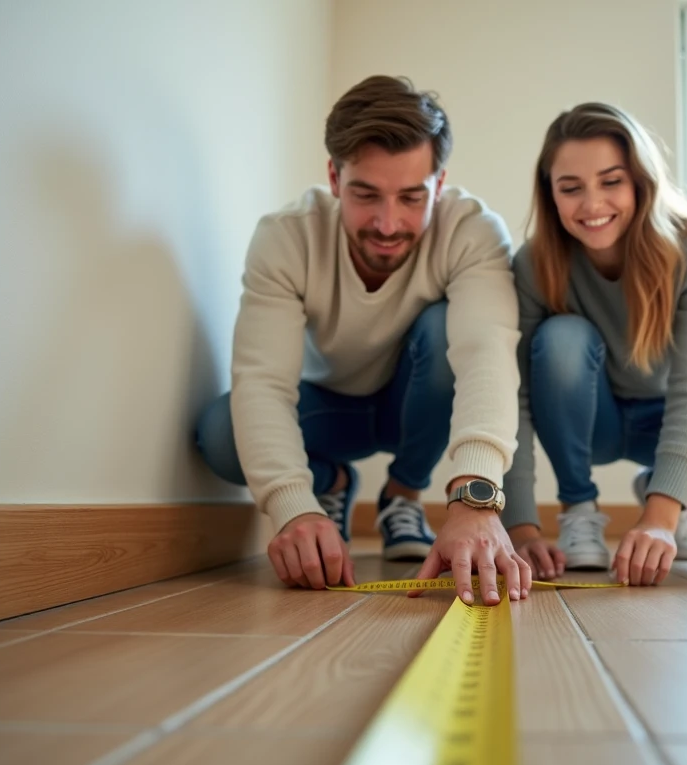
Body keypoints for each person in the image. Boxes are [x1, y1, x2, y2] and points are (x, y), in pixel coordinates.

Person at [195, 76, 532, 606]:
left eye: (411, 197)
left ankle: (403, 496)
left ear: (439, 184)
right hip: (331, 410)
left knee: (443, 326)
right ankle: (328, 486)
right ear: (334, 177)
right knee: (220, 432)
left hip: (419, 404)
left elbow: (485, 356)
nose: (387, 223)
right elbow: (263, 383)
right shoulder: (286, 236)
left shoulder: (473, 232)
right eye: (366, 194)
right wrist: (294, 508)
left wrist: (475, 500)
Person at [501, 102, 687, 588]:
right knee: (562, 339)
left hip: (664, 415)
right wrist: (521, 526)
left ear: (641, 181)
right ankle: (578, 510)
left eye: (611, 181)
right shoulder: (534, 263)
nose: (592, 204)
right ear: (550, 194)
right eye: (571, 188)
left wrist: (662, 513)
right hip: (588, 420)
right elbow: (518, 397)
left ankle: (665, 488)